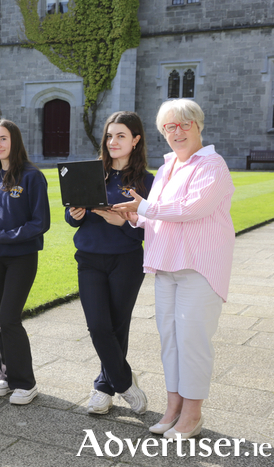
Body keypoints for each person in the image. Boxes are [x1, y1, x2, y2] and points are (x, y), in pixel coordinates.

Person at [113, 99, 235, 439]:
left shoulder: (212, 164)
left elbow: (191, 208)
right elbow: (160, 215)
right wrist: (136, 217)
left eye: (184, 124)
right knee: (170, 340)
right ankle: (173, 407)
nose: (177, 132)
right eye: (169, 127)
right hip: (166, 265)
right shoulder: (167, 167)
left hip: (199, 266)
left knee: (192, 340)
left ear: (198, 125)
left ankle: (192, 414)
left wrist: (147, 206)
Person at [65, 111, 154, 415]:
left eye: (121, 136)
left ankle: (104, 387)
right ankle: (125, 383)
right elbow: (71, 210)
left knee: (117, 327)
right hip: (89, 258)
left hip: (126, 260)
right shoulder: (91, 172)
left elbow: (153, 225)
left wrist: (124, 223)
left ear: (136, 140)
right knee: (98, 326)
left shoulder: (146, 181)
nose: (113, 141)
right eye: (109, 135)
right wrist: (73, 215)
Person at [0, 119, 50, 405]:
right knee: (1, 320)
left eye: (3, 139)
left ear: (15, 141)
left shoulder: (32, 176)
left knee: (9, 318)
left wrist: (4, 235)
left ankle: (26, 382)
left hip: (21, 257)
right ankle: (6, 376)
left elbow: (40, 222)